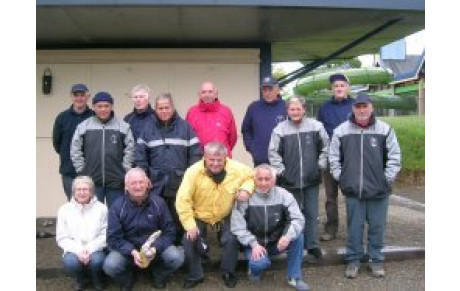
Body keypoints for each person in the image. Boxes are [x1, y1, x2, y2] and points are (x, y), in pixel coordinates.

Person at [328, 92, 401, 279]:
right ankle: (353, 261)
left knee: (377, 227)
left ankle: (376, 261)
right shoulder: (341, 131)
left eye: (365, 106)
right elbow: (333, 158)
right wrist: (341, 178)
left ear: (371, 107)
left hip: (379, 191)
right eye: (358, 107)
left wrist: (386, 180)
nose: (361, 110)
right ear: (353, 108)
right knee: (354, 228)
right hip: (353, 191)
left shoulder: (385, 129)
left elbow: (394, 157)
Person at [175, 142, 254, 289]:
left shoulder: (237, 168)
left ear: (226, 158)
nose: (216, 164)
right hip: (200, 213)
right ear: (204, 157)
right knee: (188, 240)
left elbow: (251, 176)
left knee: (232, 238)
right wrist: (190, 225)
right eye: (211, 160)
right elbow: (182, 200)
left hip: (225, 213)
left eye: (220, 160)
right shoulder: (192, 172)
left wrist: (246, 189)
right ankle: (195, 275)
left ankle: (228, 272)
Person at [136, 92, 202, 244]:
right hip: (155, 183)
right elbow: (140, 156)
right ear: (155, 109)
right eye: (160, 108)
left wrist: (190, 178)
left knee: (179, 218)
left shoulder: (185, 128)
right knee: (157, 219)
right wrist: (144, 177)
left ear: (172, 108)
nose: (164, 111)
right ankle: (159, 251)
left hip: (179, 183)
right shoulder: (148, 129)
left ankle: (180, 253)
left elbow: (195, 155)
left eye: (167, 107)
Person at [268, 96, 329, 262]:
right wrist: (282, 171)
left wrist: (320, 166)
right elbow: (273, 153)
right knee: (292, 214)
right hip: (290, 180)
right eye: (291, 109)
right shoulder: (280, 129)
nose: (295, 112)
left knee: (311, 213)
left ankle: (313, 244)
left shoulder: (316, 126)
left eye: (298, 109)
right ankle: (293, 243)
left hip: (311, 179)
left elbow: (325, 148)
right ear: (287, 111)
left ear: (304, 110)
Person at [231, 164, 310, 291]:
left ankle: (294, 277)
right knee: (260, 264)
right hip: (255, 244)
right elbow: (237, 227)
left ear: (274, 180)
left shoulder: (284, 195)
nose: (263, 183)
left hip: (277, 242)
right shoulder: (245, 198)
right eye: (260, 179)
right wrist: (254, 244)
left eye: (267, 179)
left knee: (298, 237)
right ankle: (254, 269)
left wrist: (286, 236)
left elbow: (297, 219)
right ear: (254, 180)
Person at [103, 168, 184, 290]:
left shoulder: (159, 203)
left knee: (176, 258)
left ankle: (158, 274)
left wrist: (154, 249)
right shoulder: (117, 206)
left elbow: (170, 232)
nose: (137, 186)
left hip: (153, 249)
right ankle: (128, 277)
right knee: (110, 266)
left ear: (148, 184)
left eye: (141, 182)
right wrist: (132, 251)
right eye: (133, 183)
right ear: (126, 186)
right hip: (128, 251)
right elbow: (113, 238)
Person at [71, 91, 135, 207]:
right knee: (93, 215)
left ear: (111, 106)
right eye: (99, 106)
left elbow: (130, 149)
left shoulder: (123, 126)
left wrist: (125, 169)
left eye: (106, 106)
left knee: (116, 214)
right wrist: (81, 170)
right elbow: (75, 150)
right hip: (92, 181)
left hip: (116, 181)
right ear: (94, 107)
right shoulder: (84, 126)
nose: (103, 109)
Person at [316, 73, 355, 241]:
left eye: (342, 85)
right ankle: (331, 228)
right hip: (331, 158)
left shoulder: (355, 105)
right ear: (332, 88)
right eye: (336, 86)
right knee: (331, 197)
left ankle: (354, 229)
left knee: (352, 196)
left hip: (351, 158)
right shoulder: (324, 108)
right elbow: (319, 133)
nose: (339, 88)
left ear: (347, 87)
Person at [56, 176, 107, 291]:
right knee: (71, 262)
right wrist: (79, 251)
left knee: (97, 261)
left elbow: (105, 235)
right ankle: (79, 279)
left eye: (85, 189)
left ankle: (97, 278)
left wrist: (89, 249)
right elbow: (62, 237)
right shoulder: (64, 210)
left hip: (95, 249)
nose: (82, 192)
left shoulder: (102, 209)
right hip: (73, 249)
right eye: (78, 190)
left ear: (91, 192)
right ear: (73, 192)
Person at [53, 84, 94, 200]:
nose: (79, 98)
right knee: (73, 203)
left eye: (82, 95)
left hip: (90, 170)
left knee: (91, 203)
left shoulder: (94, 116)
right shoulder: (62, 117)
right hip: (69, 170)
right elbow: (57, 143)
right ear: (71, 96)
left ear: (87, 97)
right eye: (76, 95)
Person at [242, 76, 286, 166]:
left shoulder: (285, 107)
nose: (267, 93)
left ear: (277, 90)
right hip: (261, 160)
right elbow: (246, 130)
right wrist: (252, 148)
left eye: (270, 89)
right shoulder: (253, 107)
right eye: (264, 90)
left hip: (282, 160)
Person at [185, 81, 237, 157]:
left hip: (221, 159)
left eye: (210, 92)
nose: (207, 95)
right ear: (199, 94)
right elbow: (187, 136)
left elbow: (233, 137)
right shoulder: (192, 112)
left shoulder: (226, 111)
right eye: (204, 92)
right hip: (199, 159)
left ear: (216, 94)